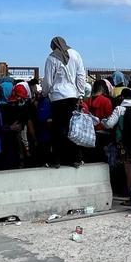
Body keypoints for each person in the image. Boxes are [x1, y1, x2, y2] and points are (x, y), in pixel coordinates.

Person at [42, 37, 89, 168]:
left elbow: (48, 81)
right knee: (73, 128)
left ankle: (56, 160)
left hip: (57, 98)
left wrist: (44, 93)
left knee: (58, 129)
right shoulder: (75, 54)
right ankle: (76, 159)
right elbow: (81, 76)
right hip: (72, 96)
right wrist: (80, 94)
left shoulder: (51, 58)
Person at [103, 88, 131, 198]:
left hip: (124, 144)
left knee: (129, 172)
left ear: (122, 97)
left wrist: (103, 121)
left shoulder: (119, 109)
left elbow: (109, 124)